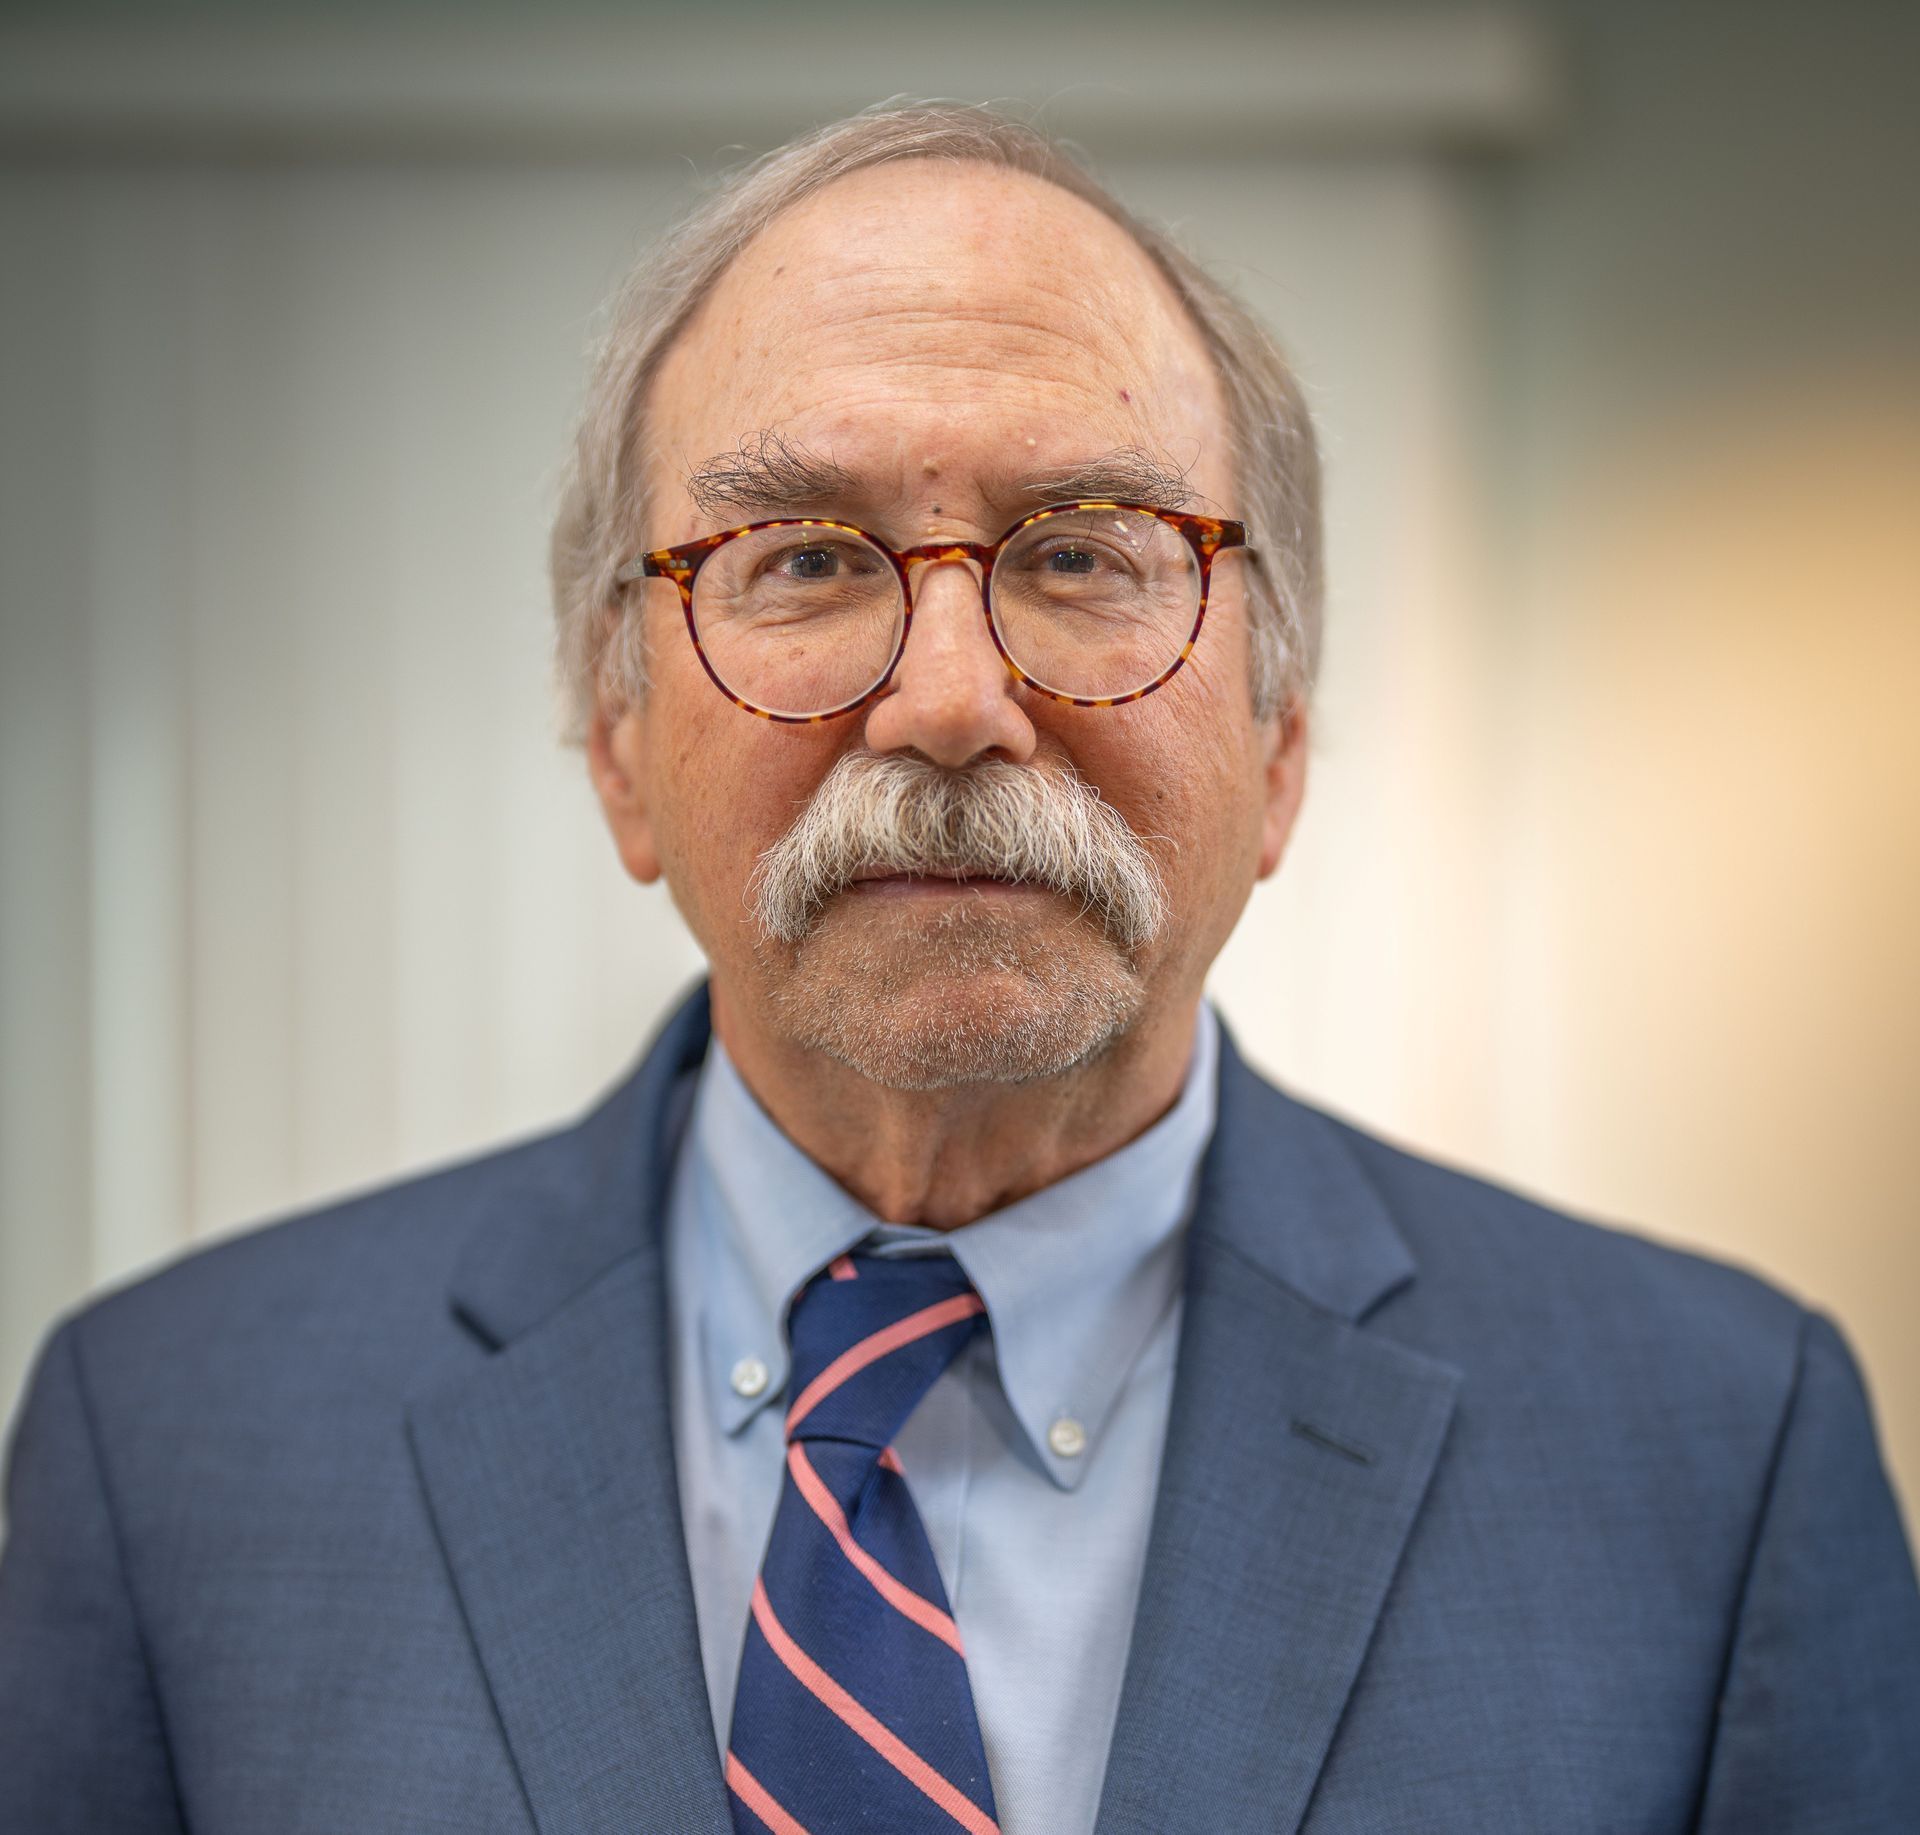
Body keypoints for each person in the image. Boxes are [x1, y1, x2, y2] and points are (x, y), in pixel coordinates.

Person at [2, 101, 1916, 1835]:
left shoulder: (1718, 1455)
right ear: (613, 741)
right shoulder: (167, 1451)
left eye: (1085, 552)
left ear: (1278, 744)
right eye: (805, 560)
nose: (944, 702)